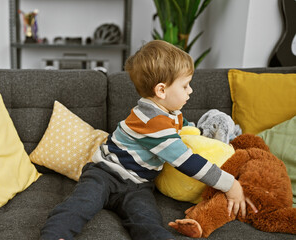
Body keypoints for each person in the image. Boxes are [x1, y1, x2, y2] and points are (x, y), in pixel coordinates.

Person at [40, 40, 257, 240]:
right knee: (81, 204)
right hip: (105, 173)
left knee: (146, 220)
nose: (190, 91)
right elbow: (186, 161)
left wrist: (213, 140)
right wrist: (230, 184)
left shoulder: (171, 113)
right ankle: (54, 234)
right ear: (161, 90)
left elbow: (186, 131)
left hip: (138, 185)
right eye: (185, 85)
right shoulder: (151, 121)